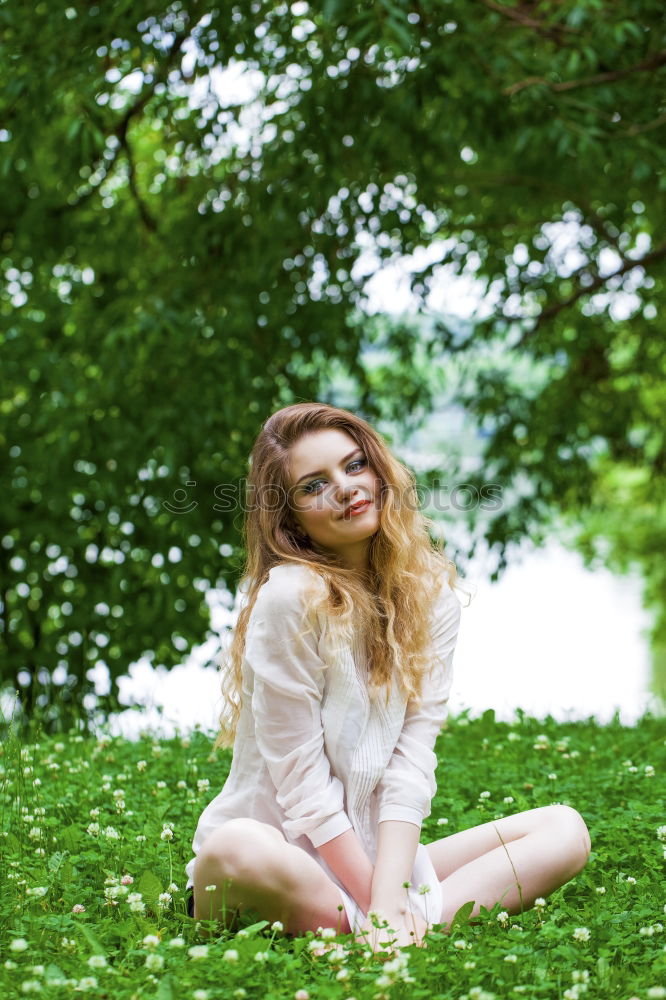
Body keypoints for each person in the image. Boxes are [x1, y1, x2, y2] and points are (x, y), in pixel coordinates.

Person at [184, 402, 591, 952]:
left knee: (564, 830)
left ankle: (380, 921)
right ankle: (395, 921)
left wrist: (391, 889)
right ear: (288, 517)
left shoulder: (429, 593)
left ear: (378, 468)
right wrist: (382, 900)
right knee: (233, 849)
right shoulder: (288, 599)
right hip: (276, 857)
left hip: (376, 866)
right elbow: (302, 783)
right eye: (313, 486)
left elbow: (411, 761)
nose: (346, 488)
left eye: (355, 466)